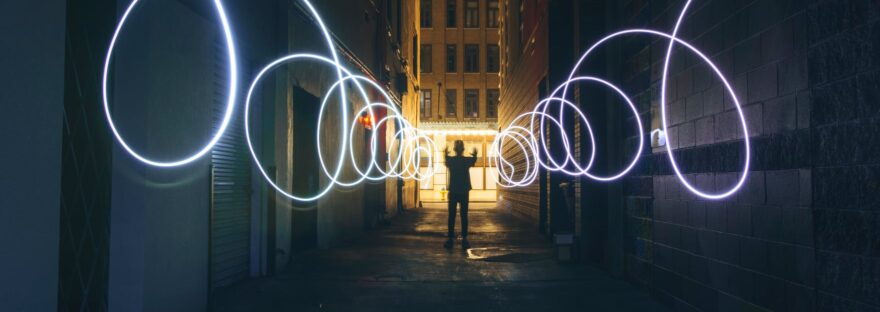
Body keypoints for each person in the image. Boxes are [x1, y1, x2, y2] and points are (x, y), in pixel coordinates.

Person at [443, 140, 478, 249]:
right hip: (463, 191)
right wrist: (475, 154)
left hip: (453, 191)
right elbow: (473, 160)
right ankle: (464, 238)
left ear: (454, 149)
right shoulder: (466, 160)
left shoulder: (451, 160)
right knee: (464, 215)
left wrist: (445, 154)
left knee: (452, 215)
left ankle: (450, 239)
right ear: (463, 149)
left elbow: (446, 160)